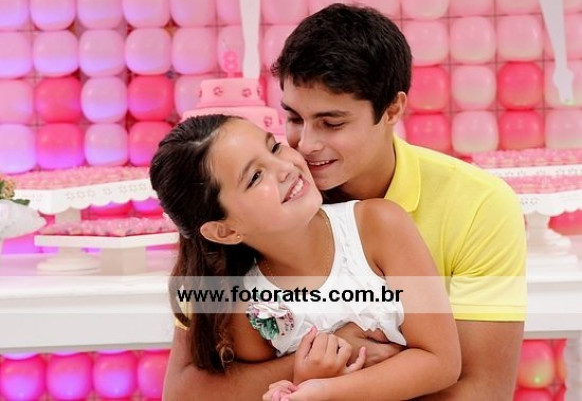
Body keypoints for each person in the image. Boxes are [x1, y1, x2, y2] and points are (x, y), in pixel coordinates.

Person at [162, 3, 527, 400]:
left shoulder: (478, 205)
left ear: (392, 109)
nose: (304, 146)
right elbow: (186, 392)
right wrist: (323, 357)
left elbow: (481, 390)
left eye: (332, 123)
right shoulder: (248, 214)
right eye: (294, 118)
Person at [151, 114, 461, 400]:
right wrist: (304, 381)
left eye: (274, 147)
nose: (284, 167)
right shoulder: (246, 307)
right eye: (256, 177)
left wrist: (325, 390)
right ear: (225, 231)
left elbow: (441, 362)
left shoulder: (379, 225)